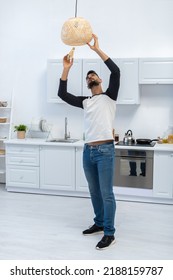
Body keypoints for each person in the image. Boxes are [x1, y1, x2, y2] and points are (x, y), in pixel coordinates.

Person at [58, 34, 120, 250]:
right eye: (87, 77)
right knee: (94, 192)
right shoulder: (85, 102)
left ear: (99, 80)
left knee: (106, 193)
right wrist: (66, 68)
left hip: (105, 150)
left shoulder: (110, 96)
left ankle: (110, 233)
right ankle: (100, 223)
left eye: (93, 75)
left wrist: (96, 50)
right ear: (87, 84)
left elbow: (116, 71)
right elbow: (62, 94)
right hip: (88, 151)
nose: (90, 77)